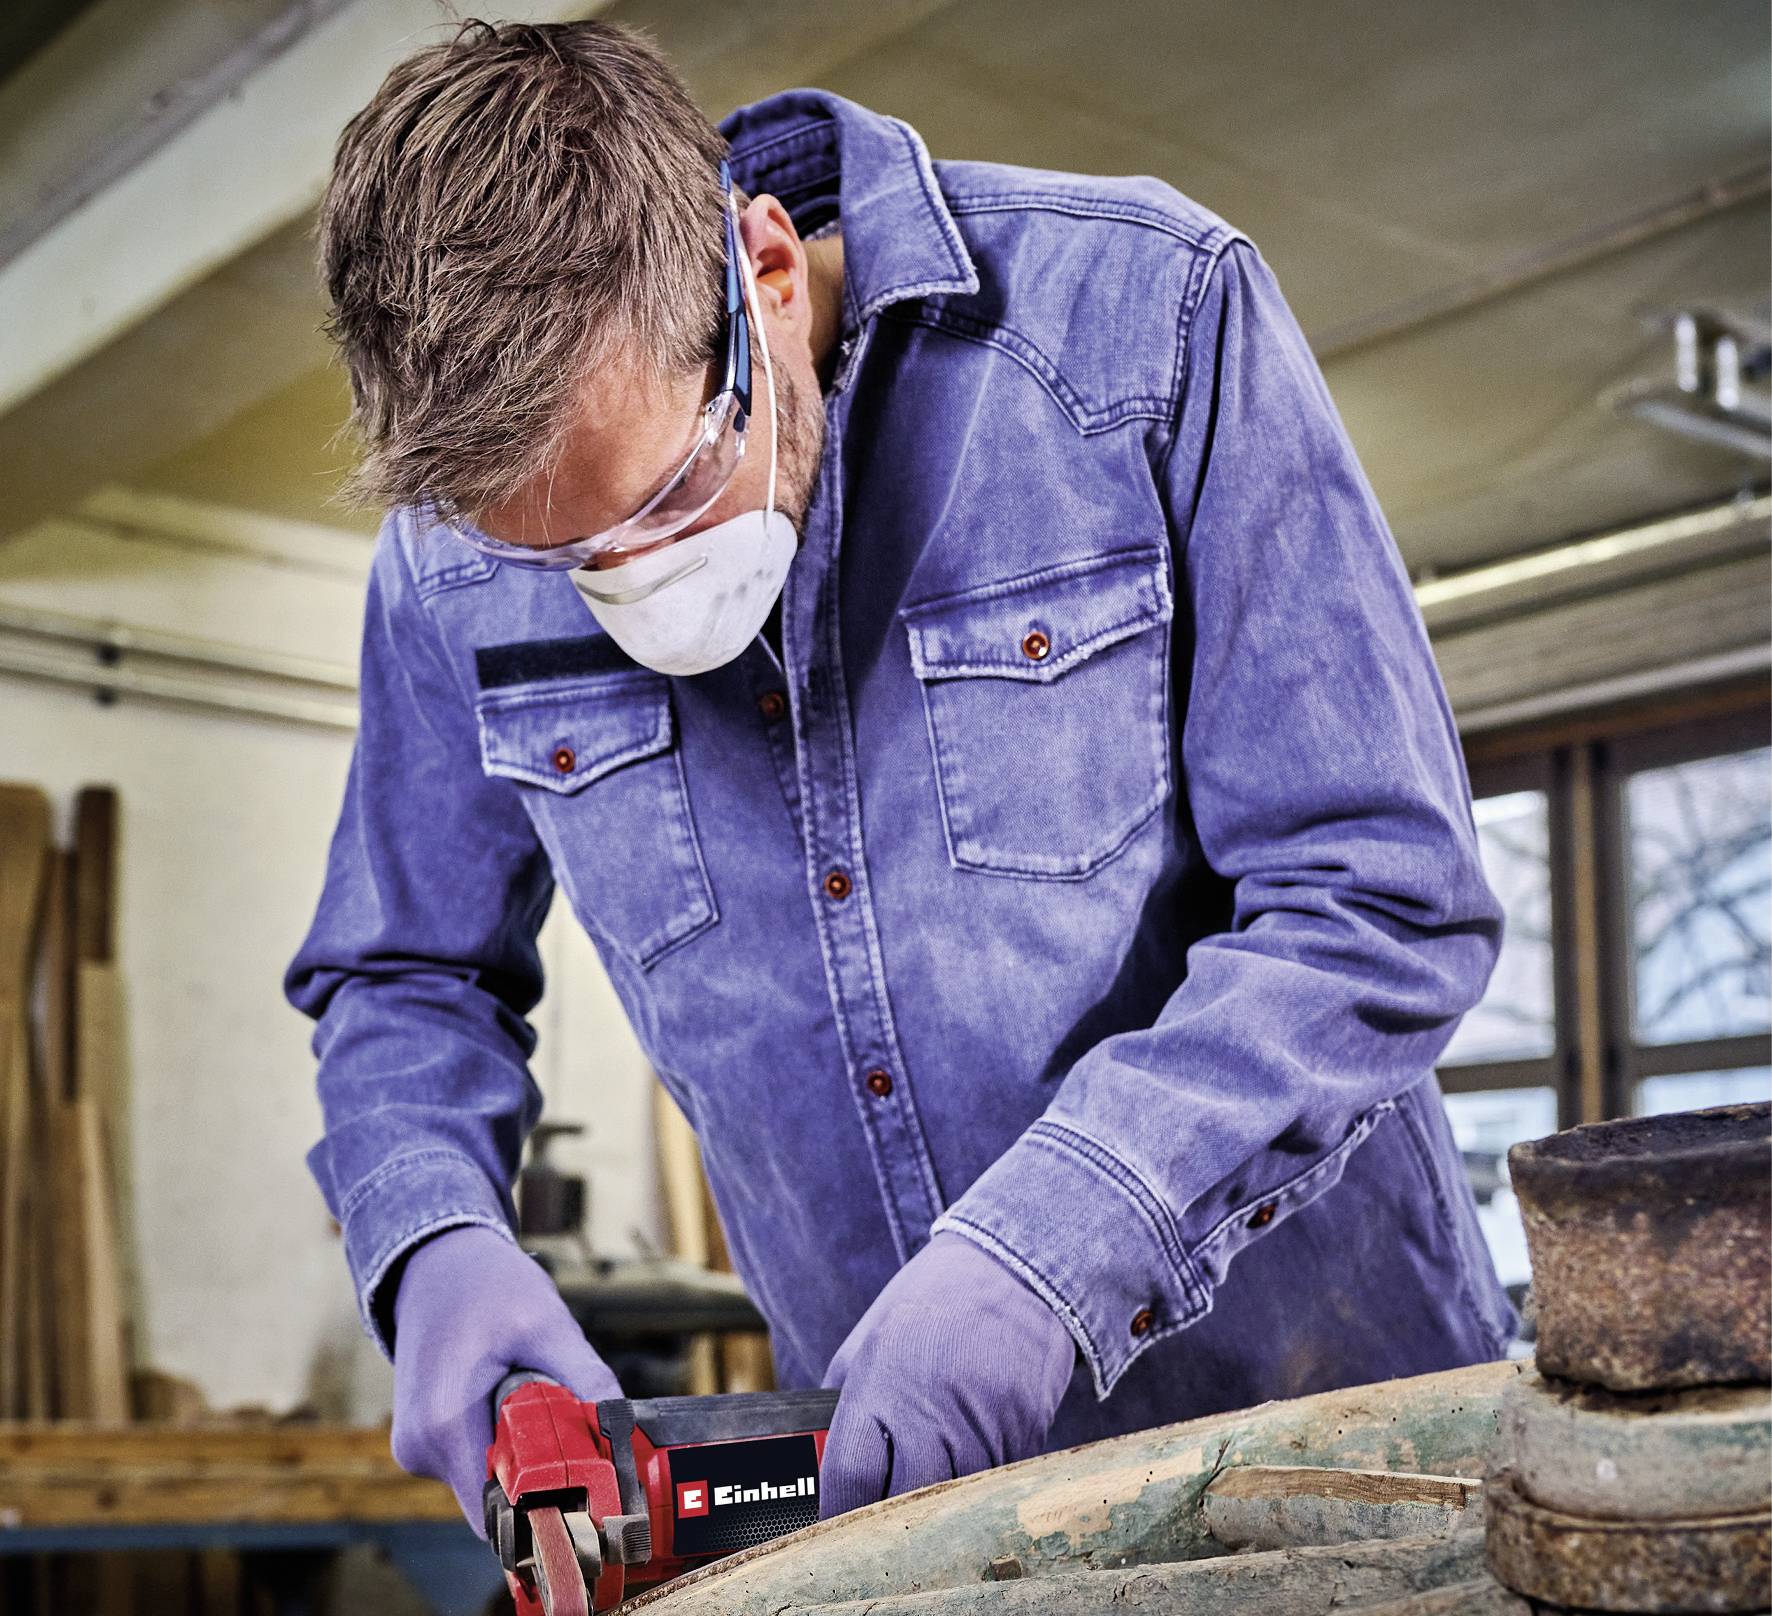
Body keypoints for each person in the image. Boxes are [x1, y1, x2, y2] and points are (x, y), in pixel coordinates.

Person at [285, 18, 1518, 1535]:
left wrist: (1053, 1243)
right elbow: (403, 974)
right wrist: (433, 1238)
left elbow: (1382, 901)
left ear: (768, 276)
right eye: (566, 561)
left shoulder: (1144, 325)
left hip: (1336, 1444)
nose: (633, 584)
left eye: (671, 493)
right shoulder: (449, 567)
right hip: (910, 1516)